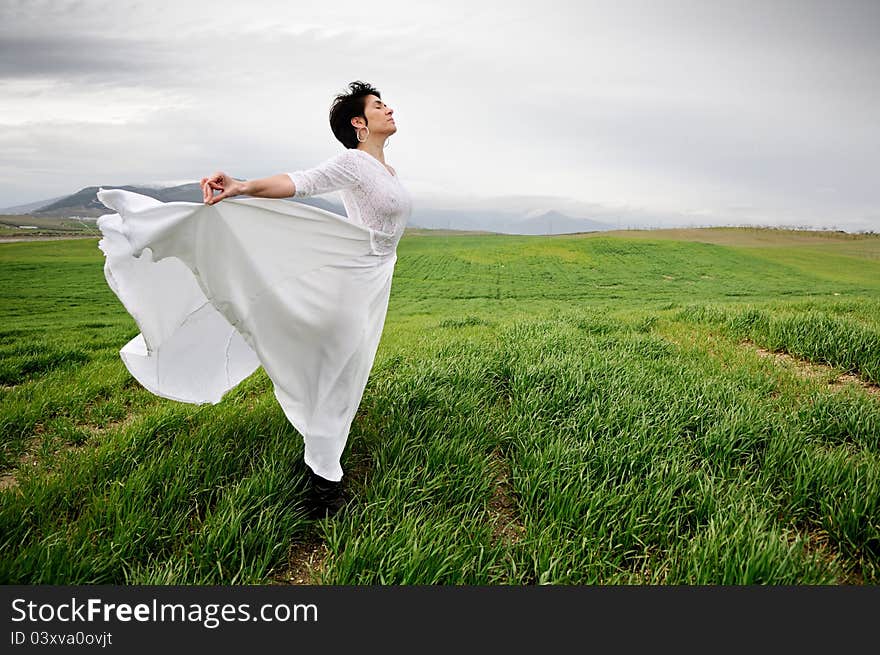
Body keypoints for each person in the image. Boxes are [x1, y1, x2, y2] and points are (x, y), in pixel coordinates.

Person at [94, 81, 412, 520]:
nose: (389, 109)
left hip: (371, 275)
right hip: (350, 276)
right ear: (359, 123)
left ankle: (323, 447)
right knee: (336, 368)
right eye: (379, 106)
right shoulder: (354, 162)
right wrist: (242, 187)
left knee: (347, 365)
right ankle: (324, 483)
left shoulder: (387, 171)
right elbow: (300, 182)